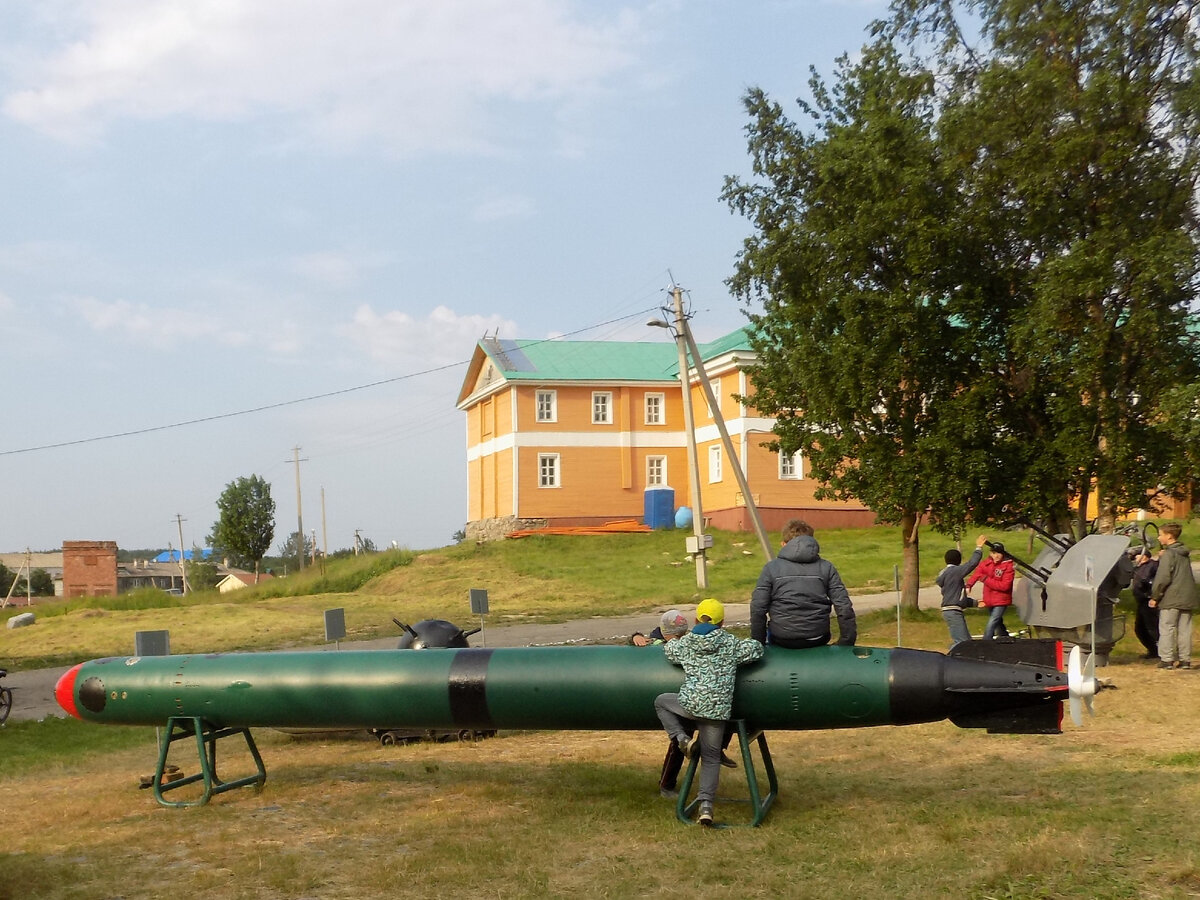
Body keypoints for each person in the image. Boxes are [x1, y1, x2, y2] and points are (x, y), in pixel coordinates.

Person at [654, 598, 763, 826]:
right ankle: (706, 807)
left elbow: (671, 650)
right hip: (717, 711)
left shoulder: (686, 643)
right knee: (711, 759)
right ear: (722, 622)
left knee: (662, 701)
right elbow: (755, 649)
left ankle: (683, 739)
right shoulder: (731, 643)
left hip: (690, 705)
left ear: (695, 620)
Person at [750, 519, 856, 648]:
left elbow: (758, 608)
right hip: (818, 637)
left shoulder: (771, 568)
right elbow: (843, 606)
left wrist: (758, 643)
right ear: (811, 543)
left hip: (782, 637)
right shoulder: (826, 567)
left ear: (784, 544)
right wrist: (847, 641)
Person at [1148, 523, 1197, 669]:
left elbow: (1163, 578)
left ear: (1169, 536)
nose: (1158, 537)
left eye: (1160, 534)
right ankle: (1185, 660)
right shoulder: (1183, 553)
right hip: (1187, 596)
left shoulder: (1169, 554)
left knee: (1167, 628)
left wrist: (1155, 596)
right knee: (1185, 629)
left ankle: (1167, 659)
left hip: (1171, 597)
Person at [936, 535, 988, 647]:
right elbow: (972, 563)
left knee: (961, 641)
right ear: (958, 561)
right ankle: (952, 660)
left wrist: (975, 603)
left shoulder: (945, 574)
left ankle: (953, 657)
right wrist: (978, 547)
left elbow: (957, 596)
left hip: (949, 610)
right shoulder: (955, 571)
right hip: (953, 611)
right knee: (963, 643)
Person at [967, 542, 1014, 640]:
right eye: (993, 553)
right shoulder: (986, 563)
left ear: (1003, 553)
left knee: (992, 622)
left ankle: (986, 641)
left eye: (998, 553)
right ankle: (1005, 638)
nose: (996, 556)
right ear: (990, 553)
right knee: (998, 623)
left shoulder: (1008, 566)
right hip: (989, 599)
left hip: (1001, 600)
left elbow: (1005, 586)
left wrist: (986, 579)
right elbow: (977, 574)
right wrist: (969, 585)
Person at [1129, 548, 1160, 659]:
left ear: (1144, 556)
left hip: (1149, 601)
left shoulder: (1153, 565)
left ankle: (1161, 651)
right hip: (1141, 601)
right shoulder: (1139, 568)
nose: (1135, 559)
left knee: (1152, 628)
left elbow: (1154, 581)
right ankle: (1153, 650)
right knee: (1140, 629)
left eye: (1136, 557)